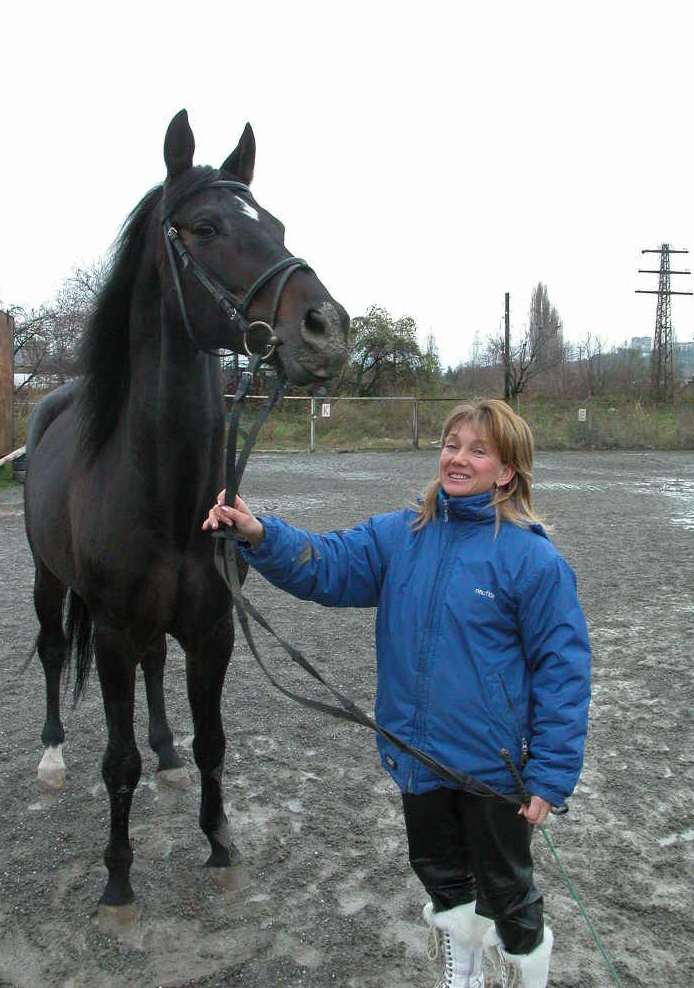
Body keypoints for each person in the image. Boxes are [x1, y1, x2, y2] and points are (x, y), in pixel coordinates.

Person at [203, 399, 591, 988]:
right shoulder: (401, 535)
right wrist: (258, 533)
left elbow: (564, 673)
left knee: (508, 896)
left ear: (507, 471)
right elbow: (324, 564)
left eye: (477, 450)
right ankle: (461, 976)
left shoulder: (533, 561)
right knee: (441, 877)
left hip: (495, 770)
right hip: (415, 755)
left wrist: (551, 773)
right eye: (451, 444)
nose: (457, 458)